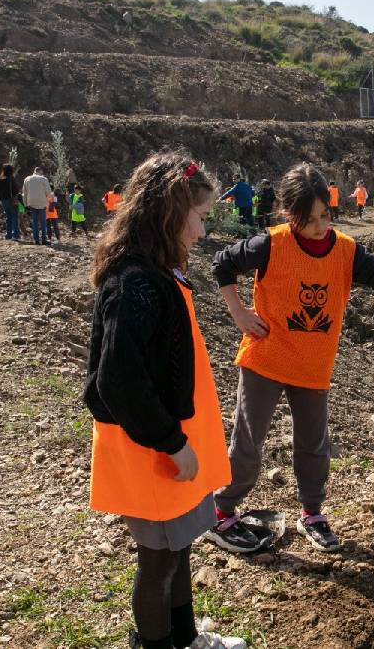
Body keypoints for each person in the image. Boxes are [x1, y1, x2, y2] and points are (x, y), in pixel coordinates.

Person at [205, 163, 374, 554]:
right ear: (288, 215)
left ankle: (312, 512)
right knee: (249, 442)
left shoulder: (345, 251)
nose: (318, 226)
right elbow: (222, 264)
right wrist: (239, 312)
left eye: (324, 215)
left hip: (313, 366)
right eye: (307, 220)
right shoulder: (272, 244)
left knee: (313, 445)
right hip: (266, 360)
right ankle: (221, 510)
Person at [84, 152, 244, 649]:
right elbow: (119, 380)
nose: (200, 232)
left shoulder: (156, 272)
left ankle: (185, 638)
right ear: (169, 214)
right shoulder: (135, 283)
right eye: (197, 218)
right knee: (157, 561)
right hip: (153, 449)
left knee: (177, 550)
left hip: (168, 445)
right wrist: (172, 443)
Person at [22, 167, 53, 245]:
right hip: (42, 203)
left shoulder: (27, 179)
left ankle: (36, 240)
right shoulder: (43, 179)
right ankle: (44, 240)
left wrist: (25, 204)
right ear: (40, 171)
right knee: (43, 222)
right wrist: (50, 203)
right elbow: (49, 193)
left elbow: (24, 194)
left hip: (31, 203)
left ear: (34, 171)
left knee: (35, 222)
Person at [0, 164, 19, 240]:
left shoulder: (0, 179)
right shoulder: (12, 179)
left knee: (8, 217)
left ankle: (8, 234)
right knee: (14, 217)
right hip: (12, 200)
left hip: (4, 200)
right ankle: (15, 234)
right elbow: (16, 190)